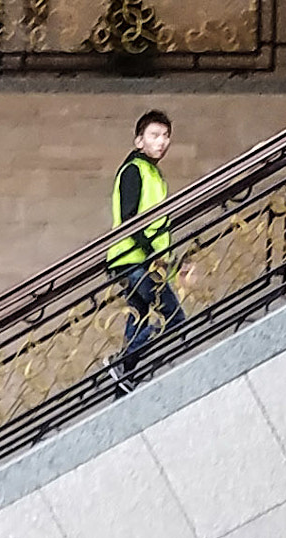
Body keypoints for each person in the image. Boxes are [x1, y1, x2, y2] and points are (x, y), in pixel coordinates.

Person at [107, 110, 184, 391]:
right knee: (176, 318)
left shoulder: (152, 173)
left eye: (165, 136)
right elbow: (131, 219)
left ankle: (123, 381)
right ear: (139, 141)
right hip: (134, 261)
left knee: (138, 318)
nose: (161, 142)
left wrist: (172, 262)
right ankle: (120, 365)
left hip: (143, 261)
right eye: (154, 136)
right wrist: (153, 253)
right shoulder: (134, 170)